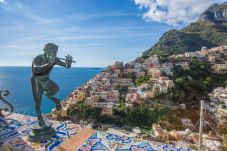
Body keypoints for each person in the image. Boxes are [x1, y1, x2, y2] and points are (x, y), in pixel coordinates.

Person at [31, 43, 73, 126]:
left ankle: (55, 100)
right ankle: (39, 117)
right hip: (37, 80)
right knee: (38, 100)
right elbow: (35, 69)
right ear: (46, 51)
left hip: (46, 79)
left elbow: (66, 66)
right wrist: (50, 64)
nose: (54, 54)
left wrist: (68, 63)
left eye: (55, 52)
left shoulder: (54, 59)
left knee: (55, 88)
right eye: (52, 51)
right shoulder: (38, 58)